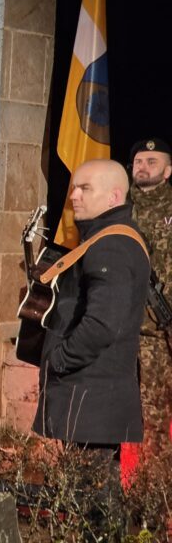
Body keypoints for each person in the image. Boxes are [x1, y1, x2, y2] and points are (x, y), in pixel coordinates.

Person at [33, 159, 149, 530]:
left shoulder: (110, 246)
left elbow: (102, 324)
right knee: (94, 509)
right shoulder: (108, 240)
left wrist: (60, 360)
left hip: (92, 400)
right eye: (74, 188)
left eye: (85, 189)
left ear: (114, 196)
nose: (74, 197)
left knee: (96, 513)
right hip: (93, 402)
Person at [128, 137, 172, 453]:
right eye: (138, 162)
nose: (143, 167)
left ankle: (154, 481)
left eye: (152, 161)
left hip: (160, 333)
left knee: (157, 417)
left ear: (167, 171)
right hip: (123, 331)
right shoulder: (118, 209)